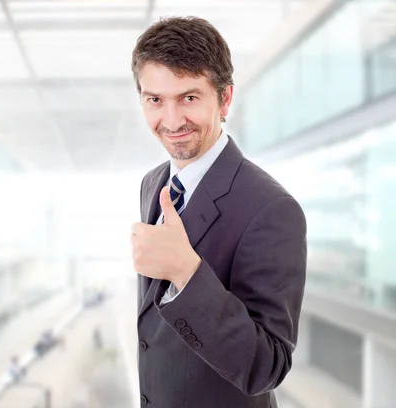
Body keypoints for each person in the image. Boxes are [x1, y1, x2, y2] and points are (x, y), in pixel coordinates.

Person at [130, 17, 306, 408]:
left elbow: (267, 366)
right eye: (155, 100)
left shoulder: (273, 209)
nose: (171, 121)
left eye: (189, 98)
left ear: (225, 99)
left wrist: (186, 274)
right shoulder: (152, 183)